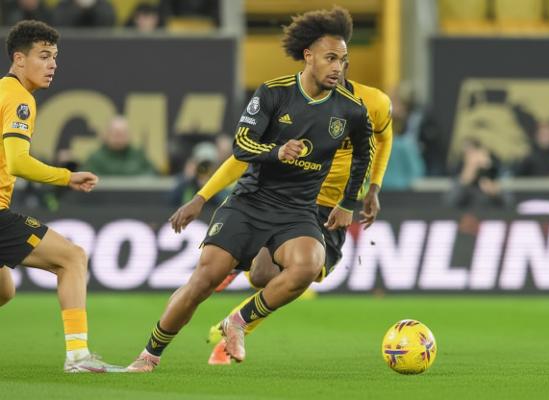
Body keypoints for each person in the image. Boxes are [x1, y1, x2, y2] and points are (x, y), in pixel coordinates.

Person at [127, 6, 373, 372]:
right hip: (250, 203)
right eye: (330, 58)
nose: (338, 67)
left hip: (297, 211)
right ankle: (149, 355)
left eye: (343, 60)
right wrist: (276, 151)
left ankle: (238, 321)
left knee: (308, 266)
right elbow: (241, 145)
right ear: (308, 56)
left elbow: (365, 154)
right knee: (204, 281)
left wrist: (349, 202)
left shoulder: (352, 110)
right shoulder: (274, 93)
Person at [180, 60, 393, 365]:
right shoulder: (291, 104)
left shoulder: (371, 104)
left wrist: (374, 187)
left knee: (279, 275)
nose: (331, 69)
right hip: (292, 200)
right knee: (284, 275)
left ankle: (236, 299)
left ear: (346, 64)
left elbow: (384, 140)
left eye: (337, 60)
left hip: (335, 205)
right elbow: (242, 157)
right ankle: (235, 319)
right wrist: (203, 195)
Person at [0, 20, 123, 372]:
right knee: (72, 257)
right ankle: (78, 356)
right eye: (43, 56)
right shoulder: (19, 99)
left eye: (54, 56)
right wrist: (66, 177)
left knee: (4, 291)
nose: (52, 64)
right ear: (19, 59)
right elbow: (18, 162)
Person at [82, 115, 157, 176]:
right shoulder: (95, 158)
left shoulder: (138, 155)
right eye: (115, 133)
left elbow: (153, 175)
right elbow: (85, 179)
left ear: (129, 135)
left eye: (122, 134)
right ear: (106, 135)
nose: (118, 138)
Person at [445, 137, 509, 209]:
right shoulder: (458, 173)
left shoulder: (493, 173)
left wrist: (495, 193)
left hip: (489, 213)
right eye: (468, 154)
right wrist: (467, 175)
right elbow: (450, 203)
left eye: (474, 153)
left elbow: (509, 203)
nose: (473, 159)